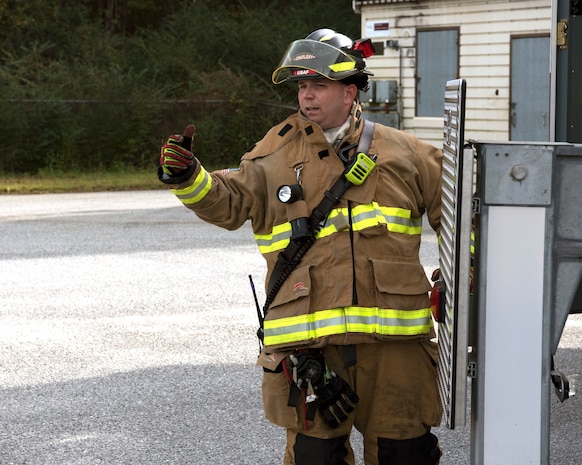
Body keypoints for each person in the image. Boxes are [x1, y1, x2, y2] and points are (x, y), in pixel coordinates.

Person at [158, 28, 443, 465]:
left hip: (394, 346)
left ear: (350, 92)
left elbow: (463, 219)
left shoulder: (406, 154)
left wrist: (469, 270)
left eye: (319, 86)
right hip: (311, 349)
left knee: (405, 453)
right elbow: (228, 203)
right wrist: (186, 177)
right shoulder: (272, 155)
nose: (307, 97)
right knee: (316, 457)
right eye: (302, 86)